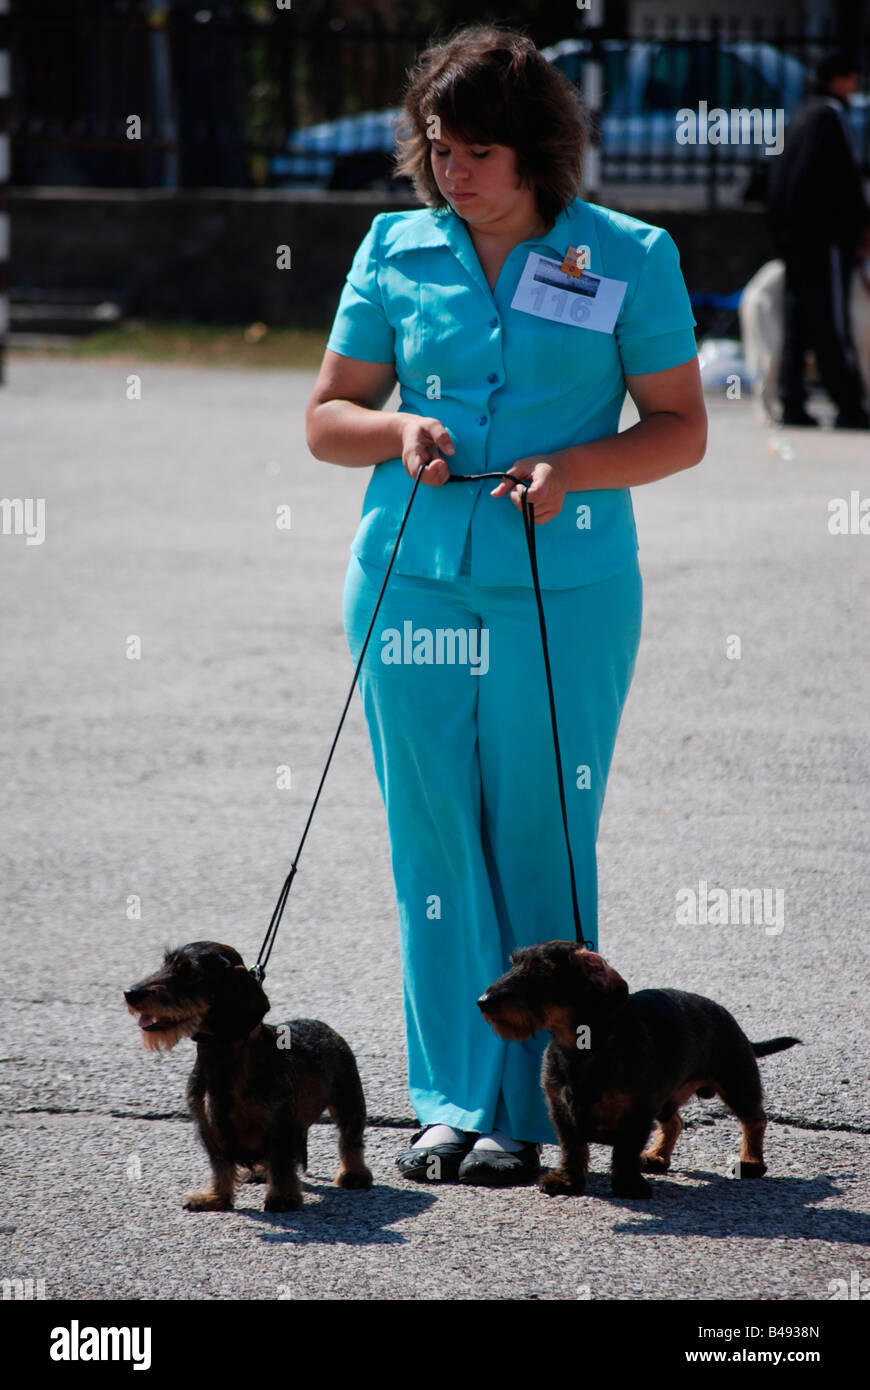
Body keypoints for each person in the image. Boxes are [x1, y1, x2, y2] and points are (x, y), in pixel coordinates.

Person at [306, 23, 706, 1186]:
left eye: (479, 148)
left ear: (537, 150)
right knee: (431, 841)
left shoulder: (628, 254)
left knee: (540, 836)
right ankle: (448, 1099)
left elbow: (679, 429)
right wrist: (396, 429)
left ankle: (541, 1108)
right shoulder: (393, 249)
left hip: (563, 588)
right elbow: (328, 417)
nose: (454, 169)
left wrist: (574, 466)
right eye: (439, 145)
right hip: (408, 578)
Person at [765, 50, 870, 428]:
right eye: (852, 76)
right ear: (839, 79)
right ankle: (849, 404)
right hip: (824, 239)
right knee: (831, 321)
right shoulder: (831, 117)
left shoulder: (802, 115)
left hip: (796, 239)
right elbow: (845, 180)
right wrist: (860, 226)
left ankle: (792, 400)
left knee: (800, 319)